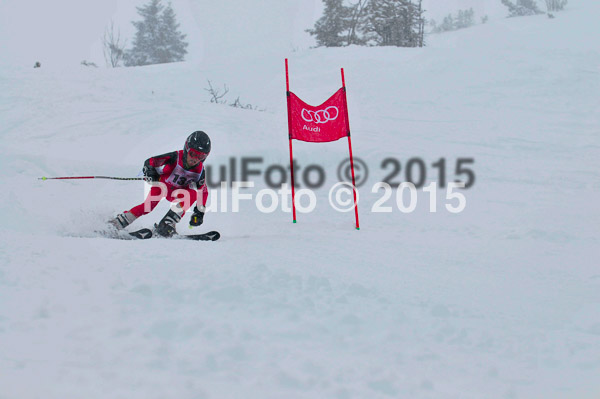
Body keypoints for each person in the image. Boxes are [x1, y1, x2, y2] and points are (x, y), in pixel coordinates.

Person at [109, 131, 211, 237]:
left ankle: (167, 224)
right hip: (162, 186)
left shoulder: (199, 171)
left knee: (193, 193)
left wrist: (199, 212)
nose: (195, 159)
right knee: (147, 207)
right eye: (193, 154)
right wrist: (150, 172)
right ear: (186, 149)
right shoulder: (175, 157)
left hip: (179, 193)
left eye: (201, 157)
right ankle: (116, 223)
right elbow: (150, 162)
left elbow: (203, 191)